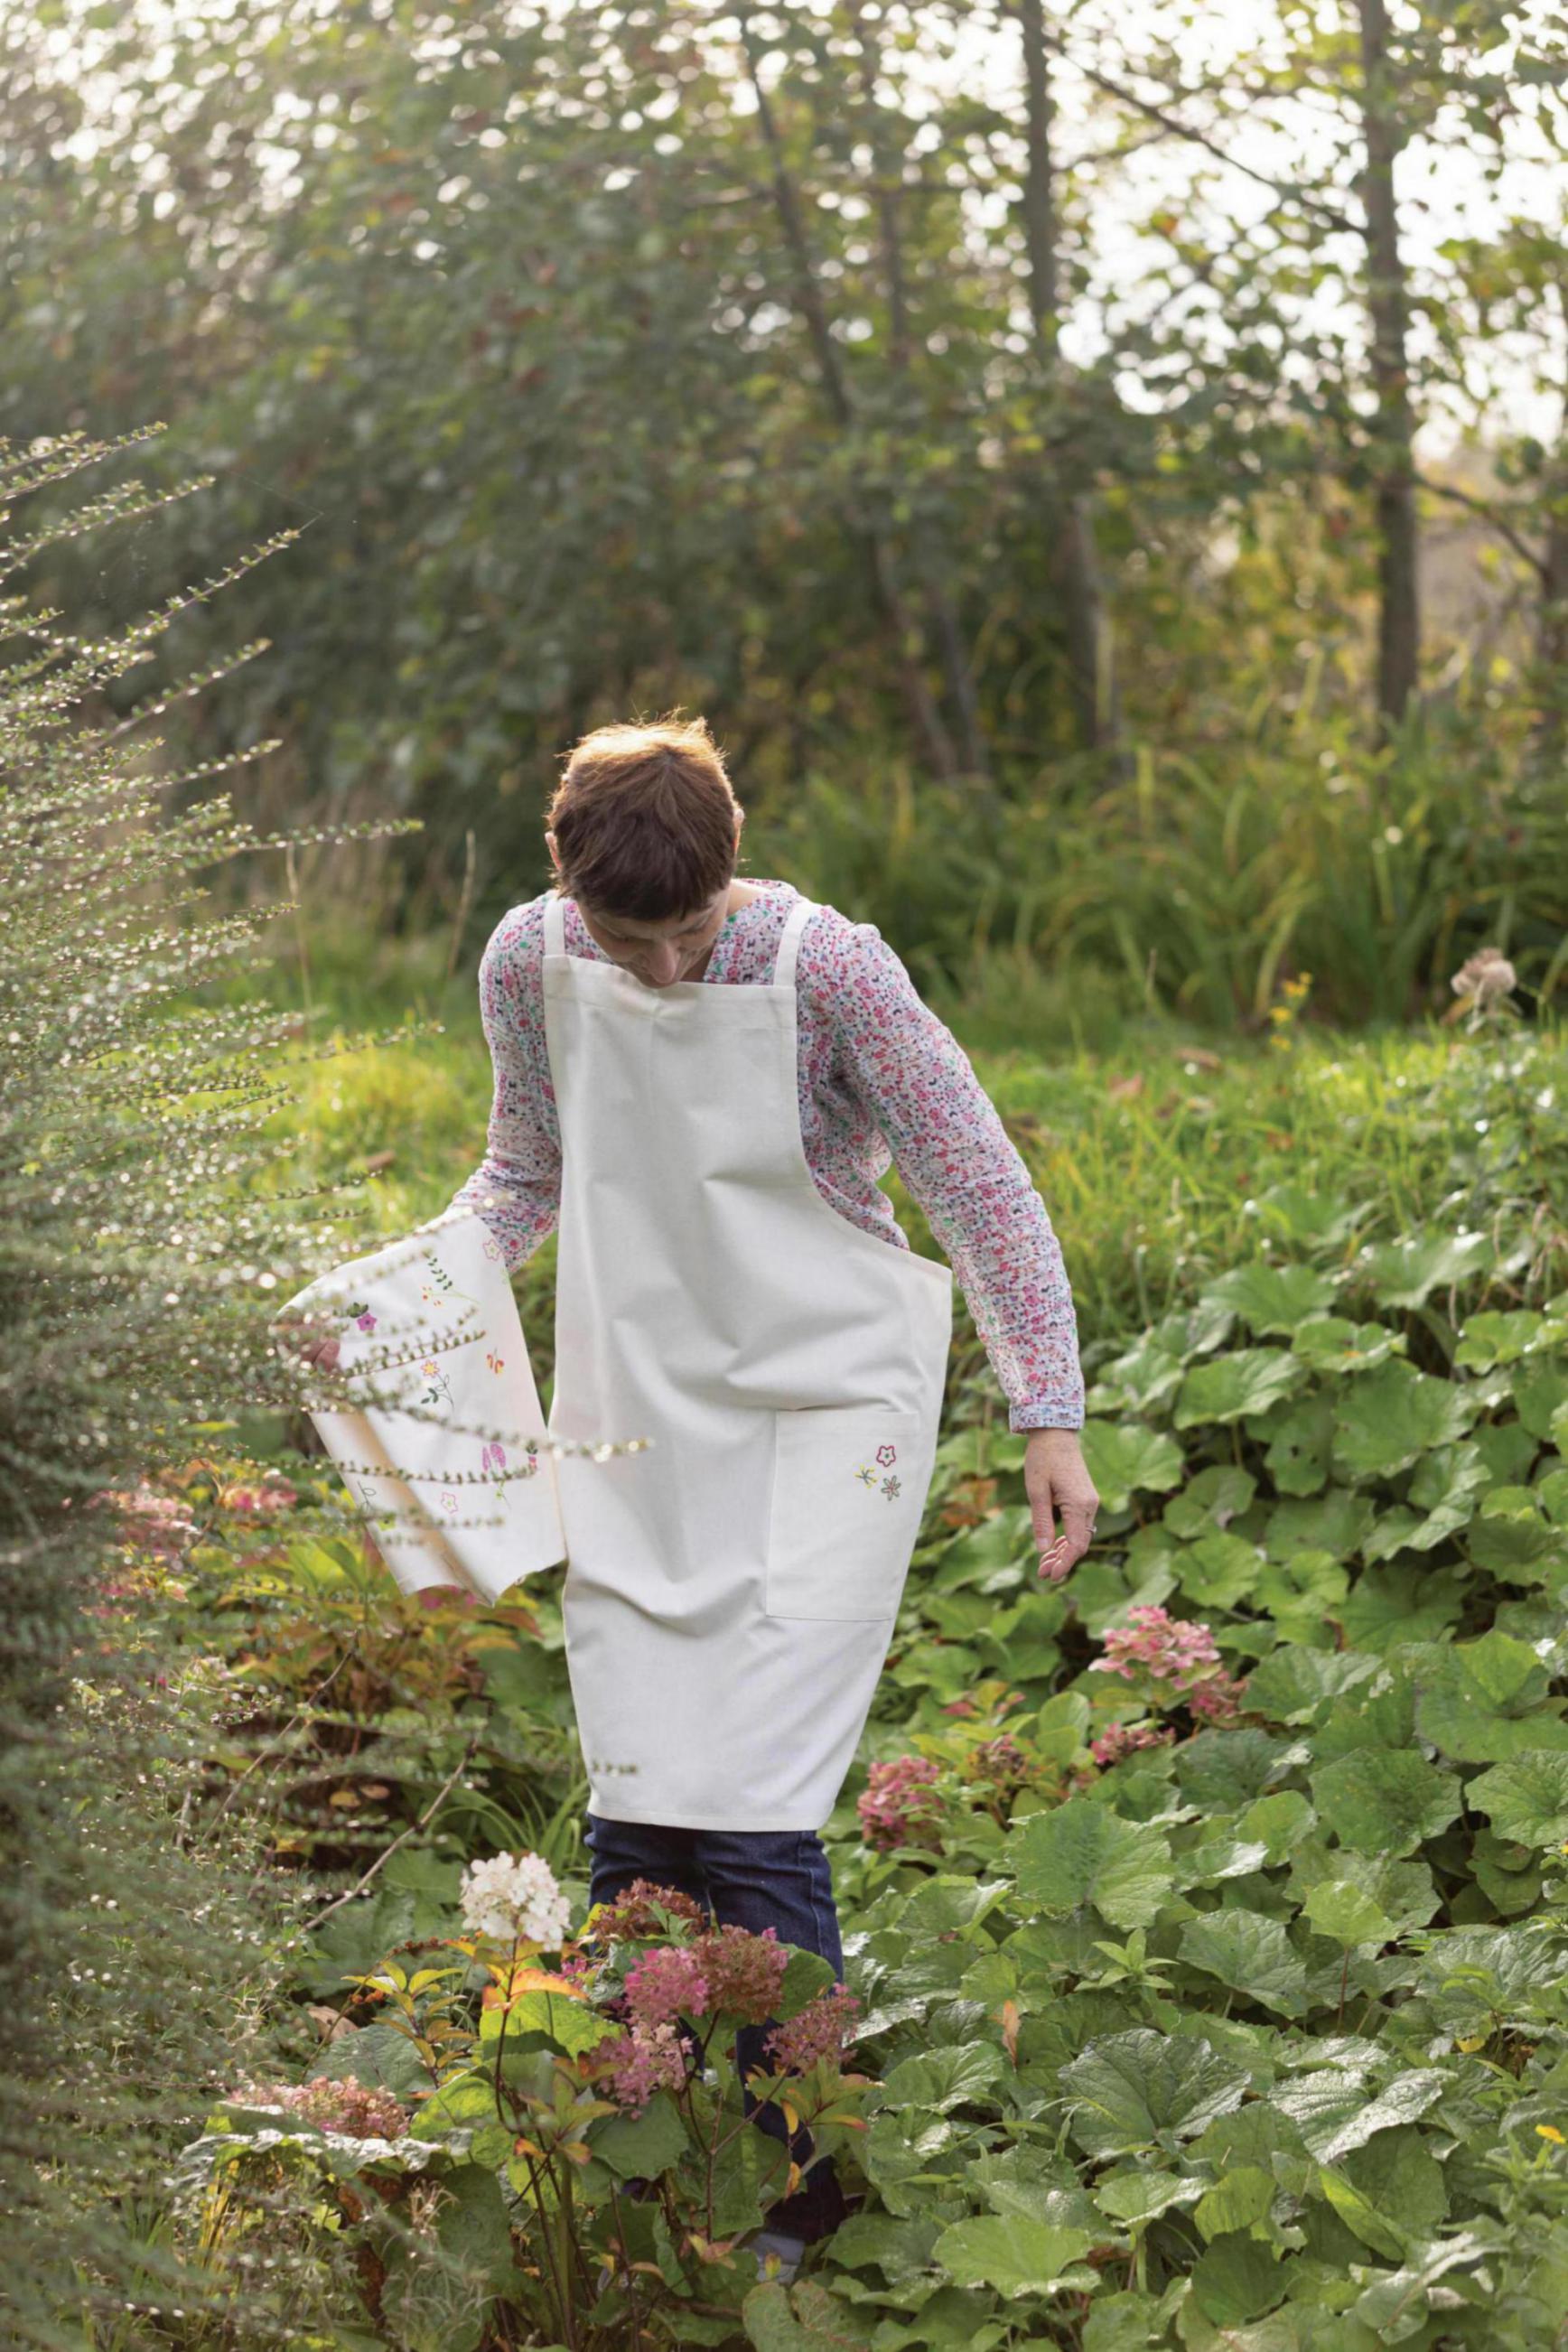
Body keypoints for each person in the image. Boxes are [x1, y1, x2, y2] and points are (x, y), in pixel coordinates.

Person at [295, 714, 1097, 2259]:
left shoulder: (831, 970)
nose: (660, 971)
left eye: (686, 936)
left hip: (825, 1405)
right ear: (567, 889)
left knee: (755, 1815)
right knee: (642, 1803)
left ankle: (801, 2191)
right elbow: (523, 1173)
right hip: (643, 1407)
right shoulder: (529, 963)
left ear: (727, 876)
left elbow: (977, 1182)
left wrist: (1045, 1414)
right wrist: (393, 1306)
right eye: (627, 938)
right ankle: (648, 2155)